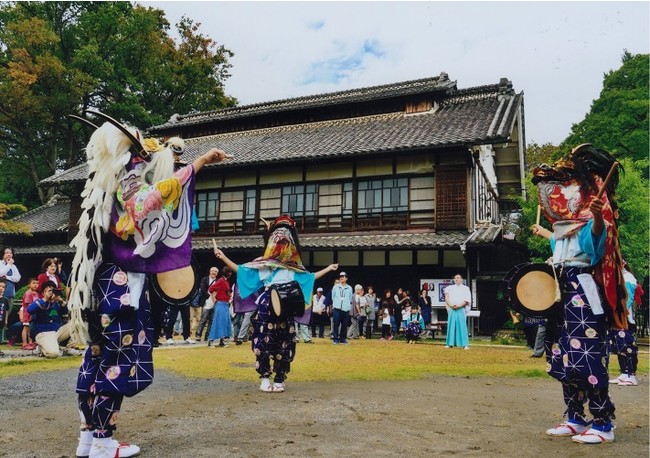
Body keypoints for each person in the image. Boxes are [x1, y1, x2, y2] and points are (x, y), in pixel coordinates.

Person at [66, 117, 231, 458]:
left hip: (100, 283)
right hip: (123, 287)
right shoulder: (128, 173)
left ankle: (88, 439)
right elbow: (144, 203)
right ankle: (104, 441)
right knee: (117, 360)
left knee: (95, 358)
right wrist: (198, 164)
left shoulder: (105, 178)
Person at [531, 143, 625, 444]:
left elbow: (595, 244)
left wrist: (597, 216)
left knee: (587, 353)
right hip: (560, 284)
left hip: (582, 286)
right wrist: (547, 234)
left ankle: (602, 422)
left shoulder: (591, 218)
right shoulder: (562, 228)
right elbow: (560, 247)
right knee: (562, 354)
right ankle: (574, 417)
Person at [214, 215, 338, 392]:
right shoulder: (265, 266)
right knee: (264, 341)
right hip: (267, 304)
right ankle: (265, 378)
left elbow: (310, 278)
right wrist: (223, 257)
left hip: (286, 305)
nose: (281, 245)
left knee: (286, 341)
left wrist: (328, 268)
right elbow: (242, 271)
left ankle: (280, 377)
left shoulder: (293, 268)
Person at [608, 265, 643, 386]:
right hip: (617, 317)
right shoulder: (618, 278)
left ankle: (631, 374)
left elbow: (627, 298)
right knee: (619, 346)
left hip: (624, 318)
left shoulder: (627, 277)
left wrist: (621, 313)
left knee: (627, 345)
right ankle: (624, 372)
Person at [26, 280, 70, 358]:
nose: (51, 293)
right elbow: (29, 309)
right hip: (43, 333)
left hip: (57, 332)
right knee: (54, 354)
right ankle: (41, 348)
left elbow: (66, 311)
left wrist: (60, 300)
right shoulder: (40, 302)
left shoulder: (57, 303)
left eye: (53, 290)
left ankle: (70, 347)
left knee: (76, 324)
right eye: (49, 291)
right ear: (43, 293)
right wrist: (45, 299)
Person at [207, 266, 233, 347]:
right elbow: (211, 289)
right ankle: (211, 340)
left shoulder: (226, 282)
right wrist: (214, 298)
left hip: (225, 304)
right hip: (221, 303)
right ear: (228, 273)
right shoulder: (221, 281)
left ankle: (222, 341)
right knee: (218, 322)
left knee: (224, 322)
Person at [444, 274, 470, 349]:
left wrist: (459, 306)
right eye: (455, 278)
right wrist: (451, 305)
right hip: (452, 308)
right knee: (451, 326)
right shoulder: (449, 288)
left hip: (460, 309)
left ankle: (465, 344)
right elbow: (447, 297)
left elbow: (467, 300)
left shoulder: (465, 288)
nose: (457, 279)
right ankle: (449, 343)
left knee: (462, 326)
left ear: (461, 279)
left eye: (458, 278)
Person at [195, 267, 219, 341]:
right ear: (209, 271)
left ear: (217, 273)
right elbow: (202, 290)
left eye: (215, 271)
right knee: (203, 319)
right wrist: (210, 296)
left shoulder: (218, 281)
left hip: (215, 302)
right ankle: (198, 334)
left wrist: (216, 298)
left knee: (212, 320)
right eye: (212, 271)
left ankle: (208, 335)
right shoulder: (204, 279)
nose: (214, 272)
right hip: (206, 301)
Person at [331, 272, 354, 345]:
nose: (341, 278)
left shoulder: (349, 288)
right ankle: (335, 339)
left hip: (345, 309)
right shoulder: (335, 287)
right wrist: (336, 303)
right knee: (336, 324)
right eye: (340, 276)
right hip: (337, 308)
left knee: (344, 325)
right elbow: (333, 297)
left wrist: (346, 304)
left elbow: (350, 298)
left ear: (346, 278)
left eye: (343, 276)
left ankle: (343, 339)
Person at [19, 278, 40, 349]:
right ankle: (24, 343)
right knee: (26, 328)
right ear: (29, 285)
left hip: (34, 314)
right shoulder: (28, 293)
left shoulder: (36, 294)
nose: (35, 285)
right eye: (33, 283)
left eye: (37, 283)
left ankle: (30, 342)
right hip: (27, 314)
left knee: (31, 329)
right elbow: (28, 305)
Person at [0, 247, 21, 312]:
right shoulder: (0, 263)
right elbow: (1, 274)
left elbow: (17, 278)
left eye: (10, 253)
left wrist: (7, 277)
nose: (9, 254)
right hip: (1, 293)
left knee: (7, 313)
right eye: (6, 253)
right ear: (3, 254)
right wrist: (9, 264)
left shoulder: (13, 266)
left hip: (10, 293)